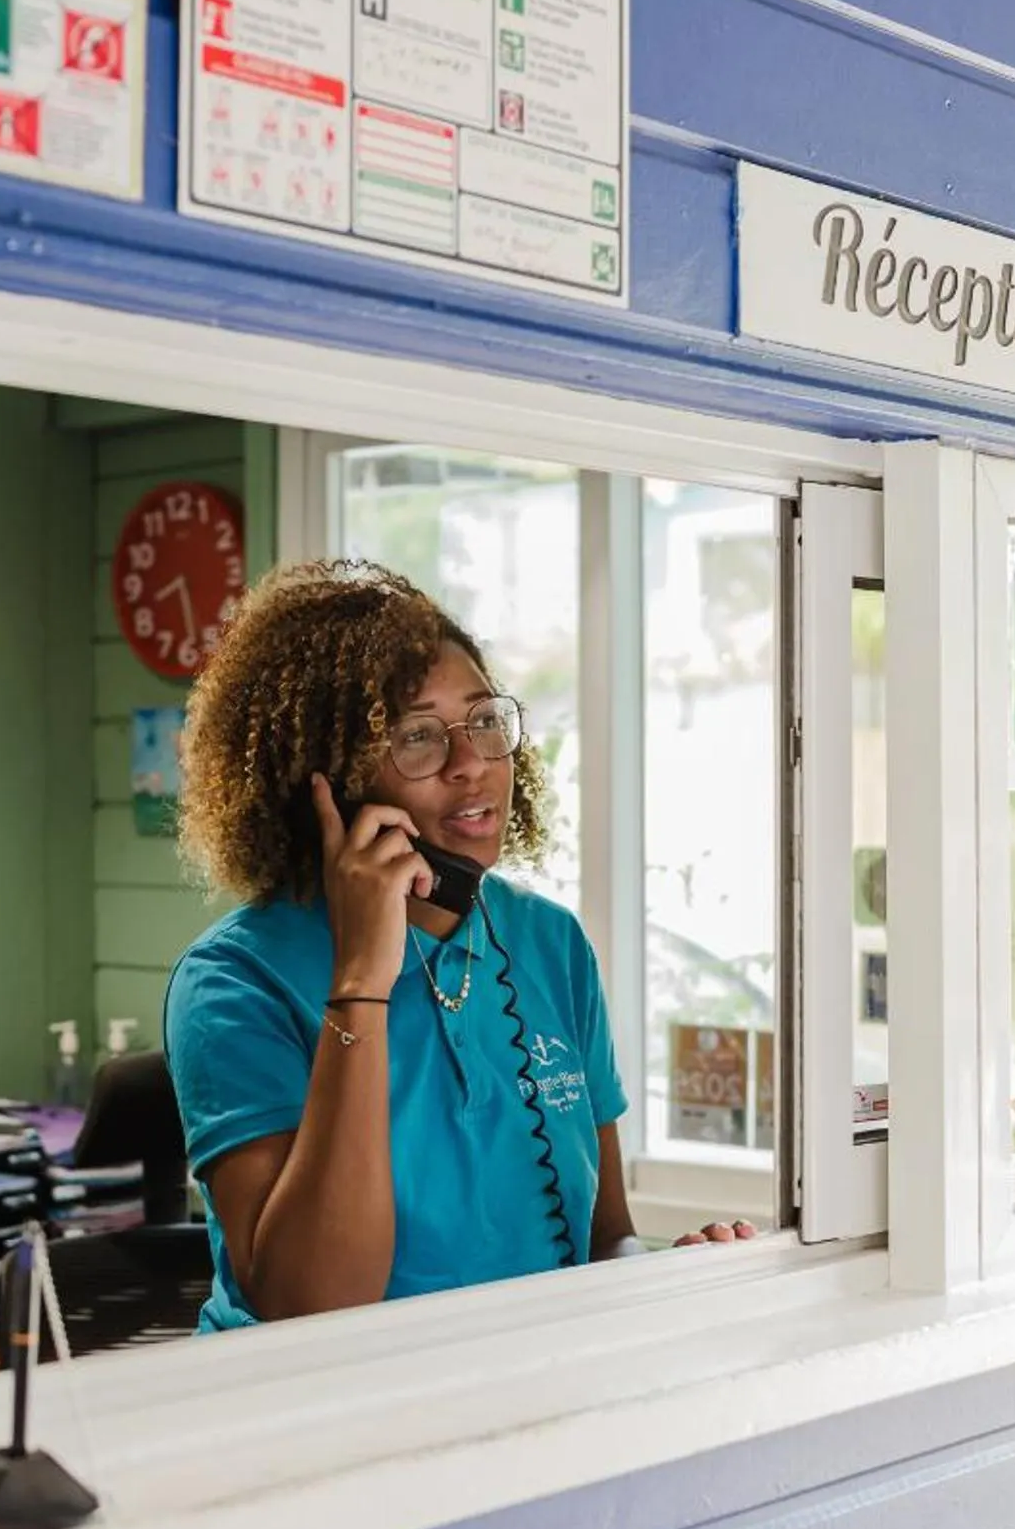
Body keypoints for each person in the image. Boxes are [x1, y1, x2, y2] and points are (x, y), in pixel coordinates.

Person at [166, 559, 754, 1332]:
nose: (470, 762)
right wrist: (361, 982)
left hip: (530, 1398)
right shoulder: (231, 981)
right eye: (416, 736)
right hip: (325, 1420)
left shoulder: (550, 944)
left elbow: (602, 1237)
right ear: (325, 784)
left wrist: (669, 1271)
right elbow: (306, 1305)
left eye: (483, 721)